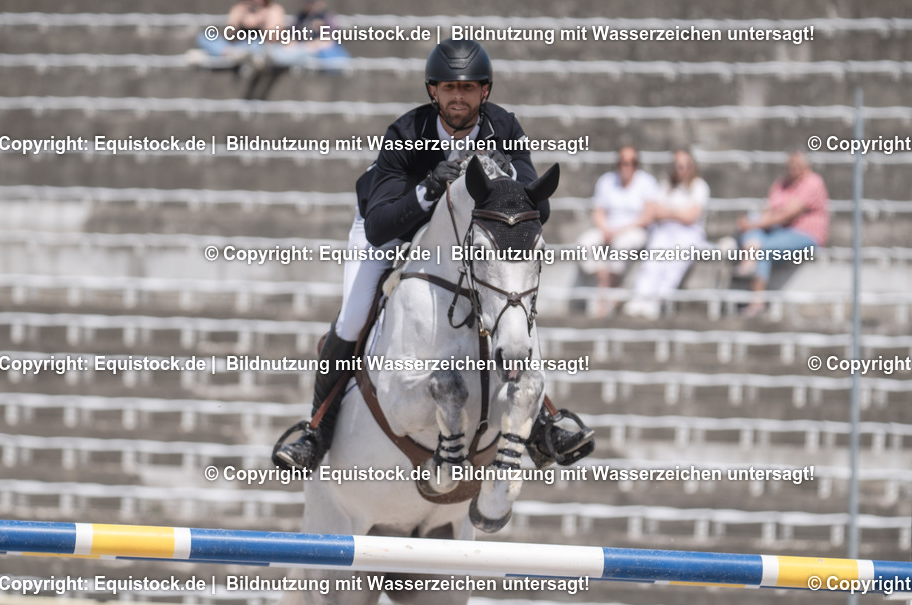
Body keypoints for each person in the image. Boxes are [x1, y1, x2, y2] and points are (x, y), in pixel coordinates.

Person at [273, 39, 594, 473]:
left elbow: (540, 210)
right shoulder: (407, 134)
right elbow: (380, 224)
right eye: (448, 88)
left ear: (485, 91)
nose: (457, 97)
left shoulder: (505, 127)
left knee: (507, 301)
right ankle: (318, 429)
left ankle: (542, 422)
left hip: (458, 238)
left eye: (467, 88)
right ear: (432, 92)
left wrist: (512, 172)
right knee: (352, 317)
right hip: (391, 229)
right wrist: (427, 188)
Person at [736, 151, 829, 317]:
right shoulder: (781, 184)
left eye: (797, 166)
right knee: (753, 221)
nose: (793, 169)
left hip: (805, 235)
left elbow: (787, 214)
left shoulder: (813, 182)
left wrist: (752, 224)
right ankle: (749, 259)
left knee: (763, 248)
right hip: (780, 232)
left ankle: (757, 302)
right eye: (791, 166)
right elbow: (767, 211)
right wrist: (753, 223)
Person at [624, 150, 710, 319]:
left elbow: (691, 216)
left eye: (684, 166)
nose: (680, 170)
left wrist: (670, 212)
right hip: (664, 231)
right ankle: (641, 297)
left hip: (689, 234)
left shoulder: (700, 187)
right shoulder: (666, 186)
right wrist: (678, 213)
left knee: (674, 263)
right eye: (677, 166)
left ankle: (658, 301)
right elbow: (656, 212)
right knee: (652, 261)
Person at [576, 146, 660, 317]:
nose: (627, 166)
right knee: (583, 244)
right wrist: (606, 229)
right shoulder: (606, 181)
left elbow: (648, 215)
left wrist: (619, 230)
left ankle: (606, 294)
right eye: (623, 162)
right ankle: (608, 282)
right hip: (608, 229)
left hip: (634, 230)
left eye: (632, 163)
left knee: (623, 244)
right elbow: (598, 212)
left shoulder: (647, 182)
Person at [268, 0, 350, 72]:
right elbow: (291, 35)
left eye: (312, 2)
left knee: (297, 52)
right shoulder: (302, 17)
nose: (309, 4)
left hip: (318, 52)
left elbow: (328, 42)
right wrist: (291, 43)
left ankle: (274, 58)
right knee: (283, 49)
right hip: (301, 49)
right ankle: (272, 57)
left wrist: (308, 45)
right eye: (308, 2)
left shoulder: (327, 17)